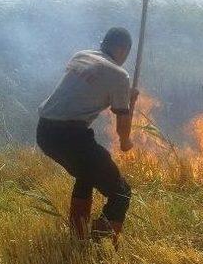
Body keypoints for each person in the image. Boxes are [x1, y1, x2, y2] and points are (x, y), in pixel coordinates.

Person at [36, 27, 138, 247]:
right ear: (123, 50)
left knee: (86, 174)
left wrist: (126, 99)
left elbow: (84, 89)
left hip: (44, 132)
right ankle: (99, 247)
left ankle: (78, 236)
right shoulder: (119, 75)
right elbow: (122, 131)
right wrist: (126, 140)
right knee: (121, 192)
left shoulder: (81, 55)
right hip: (70, 136)